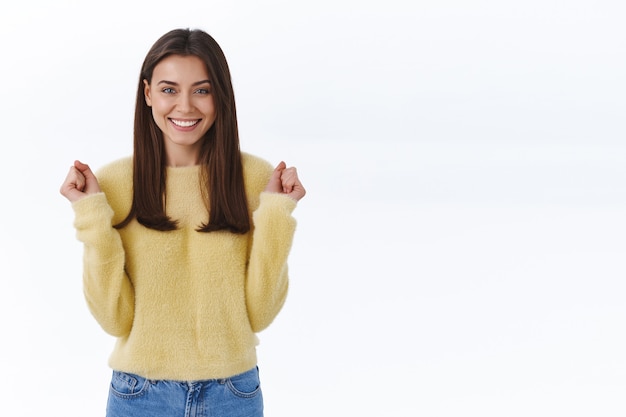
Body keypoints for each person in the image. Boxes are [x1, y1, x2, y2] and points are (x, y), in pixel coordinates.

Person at [59, 28, 305, 417]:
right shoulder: (114, 185)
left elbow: (260, 314)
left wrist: (277, 214)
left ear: (220, 95)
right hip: (139, 394)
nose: (185, 106)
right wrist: (90, 214)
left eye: (202, 90)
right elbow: (113, 318)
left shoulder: (257, 181)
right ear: (148, 94)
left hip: (233, 392)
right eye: (169, 90)